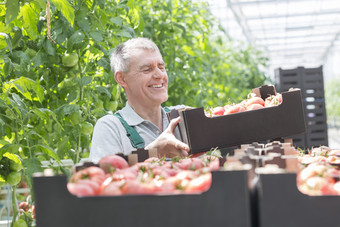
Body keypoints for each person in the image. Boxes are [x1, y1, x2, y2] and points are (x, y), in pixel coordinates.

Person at [89, 38, 190, 162]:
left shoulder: (183, 116)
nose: (159, 75)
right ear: (122, 79)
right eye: (147, 69)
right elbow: (104, 177)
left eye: (161, 67)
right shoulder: (111, 127)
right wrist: (154, 153)